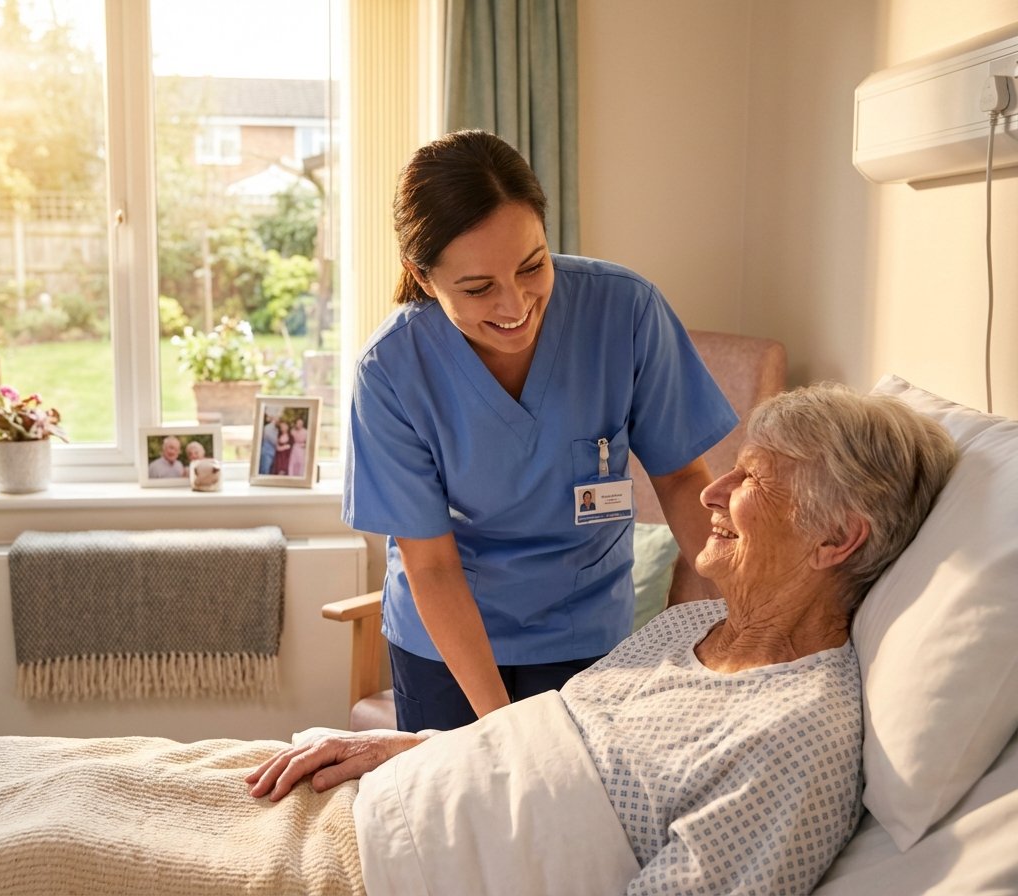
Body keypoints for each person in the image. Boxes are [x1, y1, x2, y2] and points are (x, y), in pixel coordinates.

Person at [251, 383, 960, 894]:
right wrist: (403, 750)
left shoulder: (798, 736)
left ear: (836, 538)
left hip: (384, 870)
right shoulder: (689, 628)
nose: (712, 492)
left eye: (752, 478)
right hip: (391, 799)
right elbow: (538, 756)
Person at [342, 129, 740, 732]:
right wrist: (502, 731)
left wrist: (748, 616)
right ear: (422, 278)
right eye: (477, 288)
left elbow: (683, 478)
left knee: (587, 817)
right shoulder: (392, 372)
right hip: (449, 646)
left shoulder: (625, 312)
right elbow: (432, 566)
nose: (515, 304)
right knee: (468, 809)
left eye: (533, 266)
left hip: (588, 632)